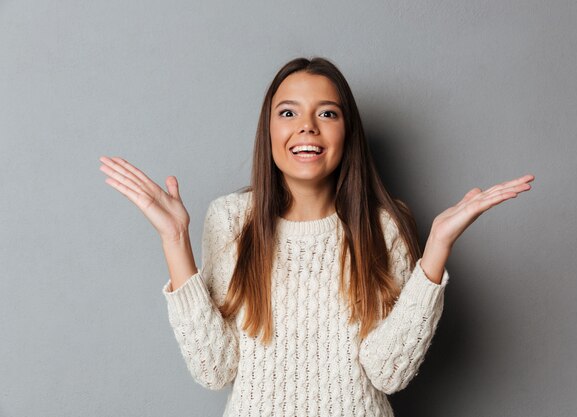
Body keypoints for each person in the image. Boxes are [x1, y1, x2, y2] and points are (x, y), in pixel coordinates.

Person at [99, 57, 534, 416]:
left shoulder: (384, 226)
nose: (307, 127)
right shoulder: (231, 220)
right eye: (288, 112)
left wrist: (436, 250)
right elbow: (215, 368)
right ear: (268, 130)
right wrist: (175, 240)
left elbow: (389, 374)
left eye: (327, 113)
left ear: (348, 132)